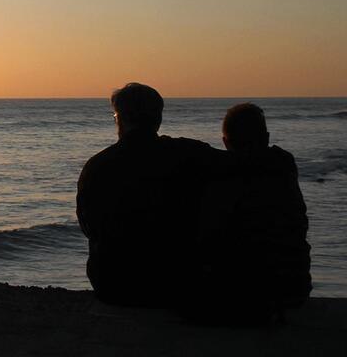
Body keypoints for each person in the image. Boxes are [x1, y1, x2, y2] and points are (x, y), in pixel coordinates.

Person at [76, 83, 228, 306]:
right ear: (158, 118)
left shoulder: (99, 166)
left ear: (120, 118)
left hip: (115, 284)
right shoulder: (190, 154)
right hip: (179, 280)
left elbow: (89, 226)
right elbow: (241, 164)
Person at [189, 103, 311, 322]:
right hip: (294, 285)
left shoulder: (221, 174)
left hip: (239, 291)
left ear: (225, 142)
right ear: (266, 137)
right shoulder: (284, 164)